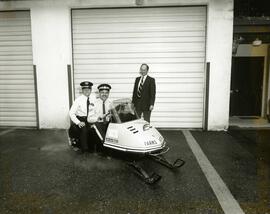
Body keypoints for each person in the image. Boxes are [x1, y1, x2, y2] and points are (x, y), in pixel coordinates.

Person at [68, 81, 96, 153]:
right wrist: (78, 122)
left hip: (91, 118)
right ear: (82, 90)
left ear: (91, 90)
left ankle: (93, 147)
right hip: (81, 119)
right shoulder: (78, 100)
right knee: (84, 129)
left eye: (88, 89)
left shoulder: (93, 98)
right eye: (85, 89)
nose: (87, 91)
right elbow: (71, 113)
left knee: (95, 129)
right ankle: (84, 149)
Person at [88, 83, 112, 152]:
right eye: (102, 92)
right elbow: (89, 119)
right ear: (99, 93)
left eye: (106, 92)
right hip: (98, 124)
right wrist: (99, 117)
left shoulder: (111, 103)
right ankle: (103, 150)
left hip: (108, 124)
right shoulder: (93, 103)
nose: (104, 94)